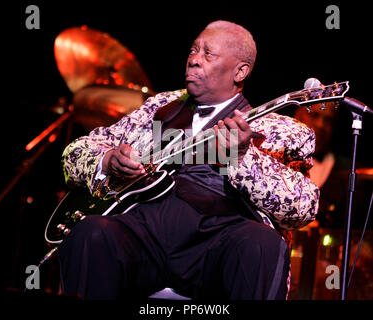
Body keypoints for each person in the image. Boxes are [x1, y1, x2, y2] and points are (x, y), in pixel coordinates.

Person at [58, 20, 319, 300]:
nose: (194, 60)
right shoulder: (160, 108)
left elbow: (303, 207)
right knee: (92, 232)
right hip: (144, 238)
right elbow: (76, 151)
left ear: (240, 71)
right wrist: (108, 159)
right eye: (193, 50)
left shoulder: (279, 130)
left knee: (262, 244)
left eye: (208, 54)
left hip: (216, 246)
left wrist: (243, 158)